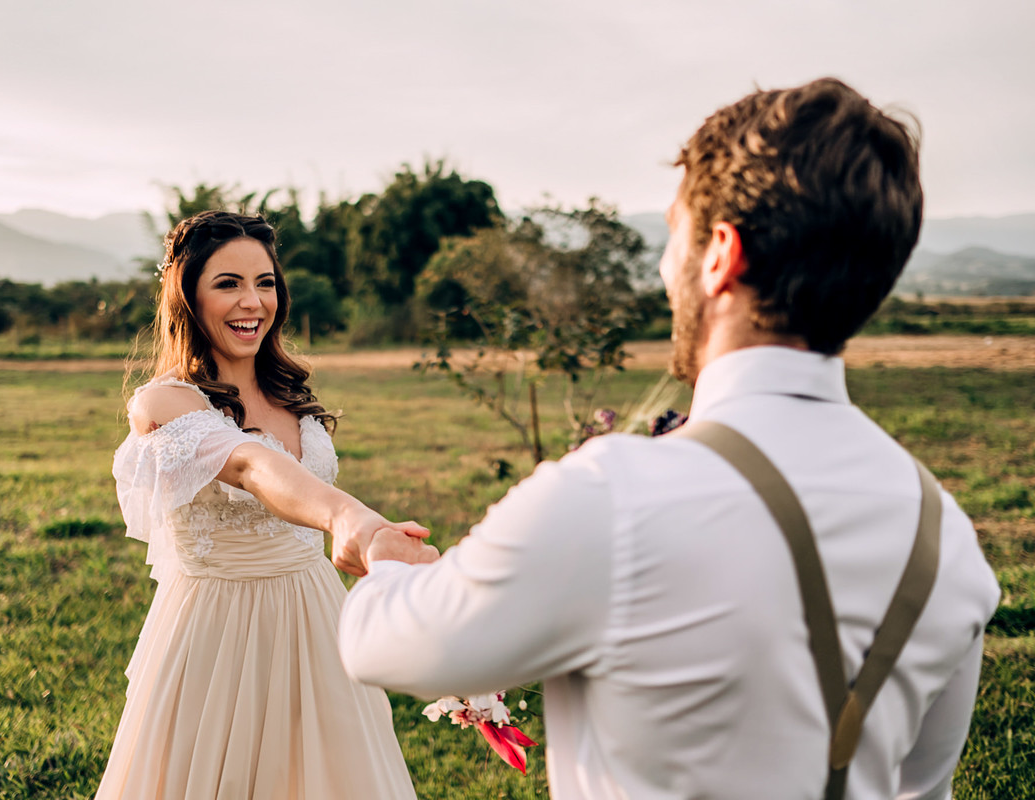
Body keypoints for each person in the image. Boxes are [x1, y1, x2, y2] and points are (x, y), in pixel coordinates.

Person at [338, 78, 1000, 799]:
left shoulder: (614, 496)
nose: (663, 268)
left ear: (720, 254)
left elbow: (383, 644)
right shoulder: (948, 538)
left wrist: (379, 554)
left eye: (673, 233)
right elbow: (921, 787)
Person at [96, 211, 420, 799]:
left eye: (264, 282)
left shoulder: (290, 395)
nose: (252, 302)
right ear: (188, 297)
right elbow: (250, 464)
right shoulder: (165, 401)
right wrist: (347, 517)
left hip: (316, 612)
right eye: (228, 284)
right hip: (217, 629)